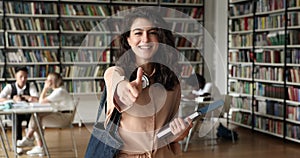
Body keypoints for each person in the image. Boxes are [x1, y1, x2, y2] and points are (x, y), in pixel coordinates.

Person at [103, 7, 192, 157]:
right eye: (138, 33)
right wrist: (124, 89)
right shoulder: (117, 73)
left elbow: (167, 133)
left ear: (160, 39)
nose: (145, 39)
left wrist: (179, 133)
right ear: (128, 40)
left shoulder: (172, 82)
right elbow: (114, 79)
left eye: (152, 33)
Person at [17, 72, 74, 155]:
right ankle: (32, 141)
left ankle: (34, 142)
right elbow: (45, 101)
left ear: (53, 81)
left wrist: (45, 88)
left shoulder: (59, 91)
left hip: (64, 118)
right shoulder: (59, 90)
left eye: (48, 80)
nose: (46, 82)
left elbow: (41, 101)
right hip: (62, 115)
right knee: (36, 116)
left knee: (37, 119)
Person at [0, 66, 39, 153]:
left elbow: (36, 99)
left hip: (28, 112)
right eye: (20, 77)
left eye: (25, 77)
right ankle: (17, 143)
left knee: (35, 117)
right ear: (15, 77)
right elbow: (0, 98)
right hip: (15, 113)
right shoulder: (9, 87)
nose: (23, 79)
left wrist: (26, 97)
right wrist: (12, 99)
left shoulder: (31, 85)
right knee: (16, 119)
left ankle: (31, 140)